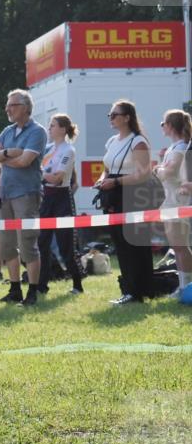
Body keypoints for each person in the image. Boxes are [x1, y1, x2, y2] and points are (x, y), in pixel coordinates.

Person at [0, 89, 46, 306]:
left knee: (27, 243)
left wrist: (4, 157)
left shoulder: (37, 132)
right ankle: (14, 289)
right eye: (7, 105)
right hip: (7, 194)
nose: (7, 109)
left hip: (26, 194)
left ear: (26, 108)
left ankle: (32, 291)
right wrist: (9, 153)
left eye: (12, 105)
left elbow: (25, 162)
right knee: (6, 246)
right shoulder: (7, 131)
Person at [94, 100, 154, 304]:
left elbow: (144, 174)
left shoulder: (138, 141)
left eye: (115, 114)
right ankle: (128, 289)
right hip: (114, 195)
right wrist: (103, 179)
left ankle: (138, 291)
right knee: (119, 243)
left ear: (127, 117)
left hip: (133, 194)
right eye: (109, 115)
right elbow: (108, 167)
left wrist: (116, 182)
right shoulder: (112, 141)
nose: (111, 118)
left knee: (133, 243)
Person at [37, 114, 85, 296]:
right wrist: (43, 175)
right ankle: (42, 285)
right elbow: (42, 172)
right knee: (42, 242)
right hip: (46, 199)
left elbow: (57, 178)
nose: (49, 128)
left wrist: (41, 174)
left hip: (62, 199)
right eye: (49, 125)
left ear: (63, 129)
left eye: (53, 125)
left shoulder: (68, 150)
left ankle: (77, 284)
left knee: (66, 244)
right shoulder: (48, 148)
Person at [154, 109, 191, 296]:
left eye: (163, 123)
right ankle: (184, 285)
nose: (162, 126)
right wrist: (162, 163)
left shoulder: (180, 147)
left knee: (180, 246)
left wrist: (159, 168)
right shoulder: (173, 148)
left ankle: (185, 287)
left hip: (178, 202)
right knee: (178, 247)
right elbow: (166, 171)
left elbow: (168, 173)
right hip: (171, 201)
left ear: (170, 126)